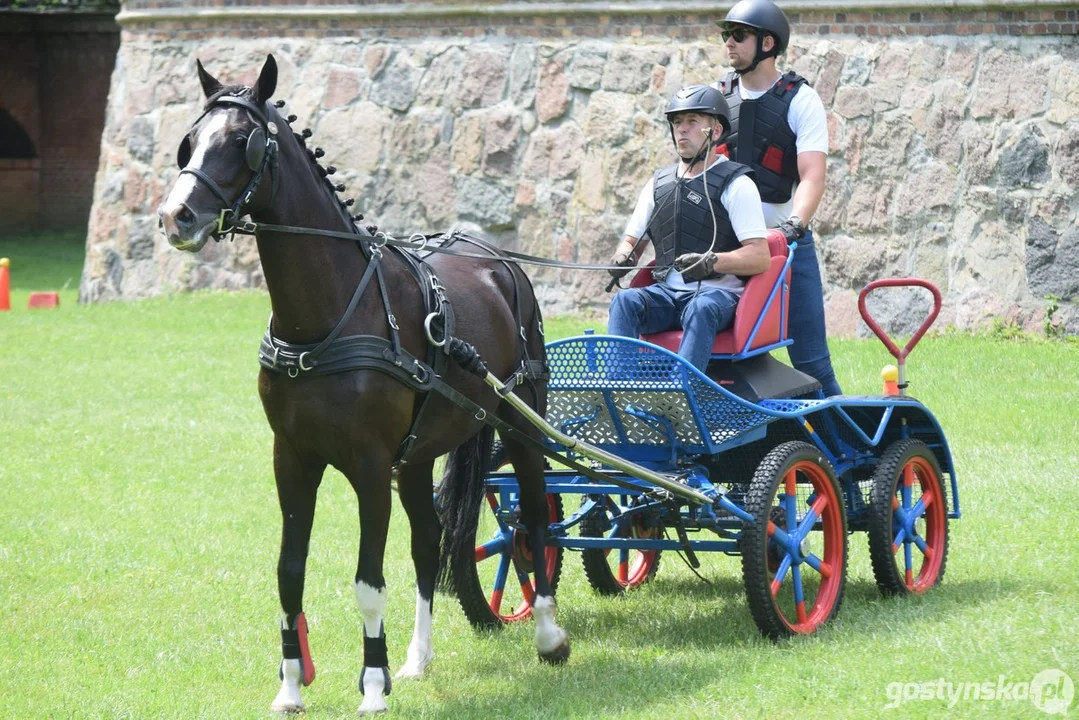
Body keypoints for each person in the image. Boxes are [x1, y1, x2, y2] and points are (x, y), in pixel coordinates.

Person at [714, 0, 842, 396]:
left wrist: (792, 228)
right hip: (727, 249)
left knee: (811, 362)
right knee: (727, 360)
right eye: (726, 36)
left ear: (768, 43)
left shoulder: (801, 100)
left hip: (785, 248)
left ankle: (851, 451)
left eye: (738, 35)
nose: (728, 44)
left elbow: (812, 177)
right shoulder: (716, 100)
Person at [606, 84, 771, 373]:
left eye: (692, 122)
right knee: (625, 301)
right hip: (667, 295)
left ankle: (680, 394)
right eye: (677, 123)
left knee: (701, 307)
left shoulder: (737, 184)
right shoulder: (658, 184)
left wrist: (713, 262)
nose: (682, 130)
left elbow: (760, 257)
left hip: (717, 297)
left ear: (716, 132)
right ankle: (618, 390)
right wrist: (624, 258)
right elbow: (631, 242)